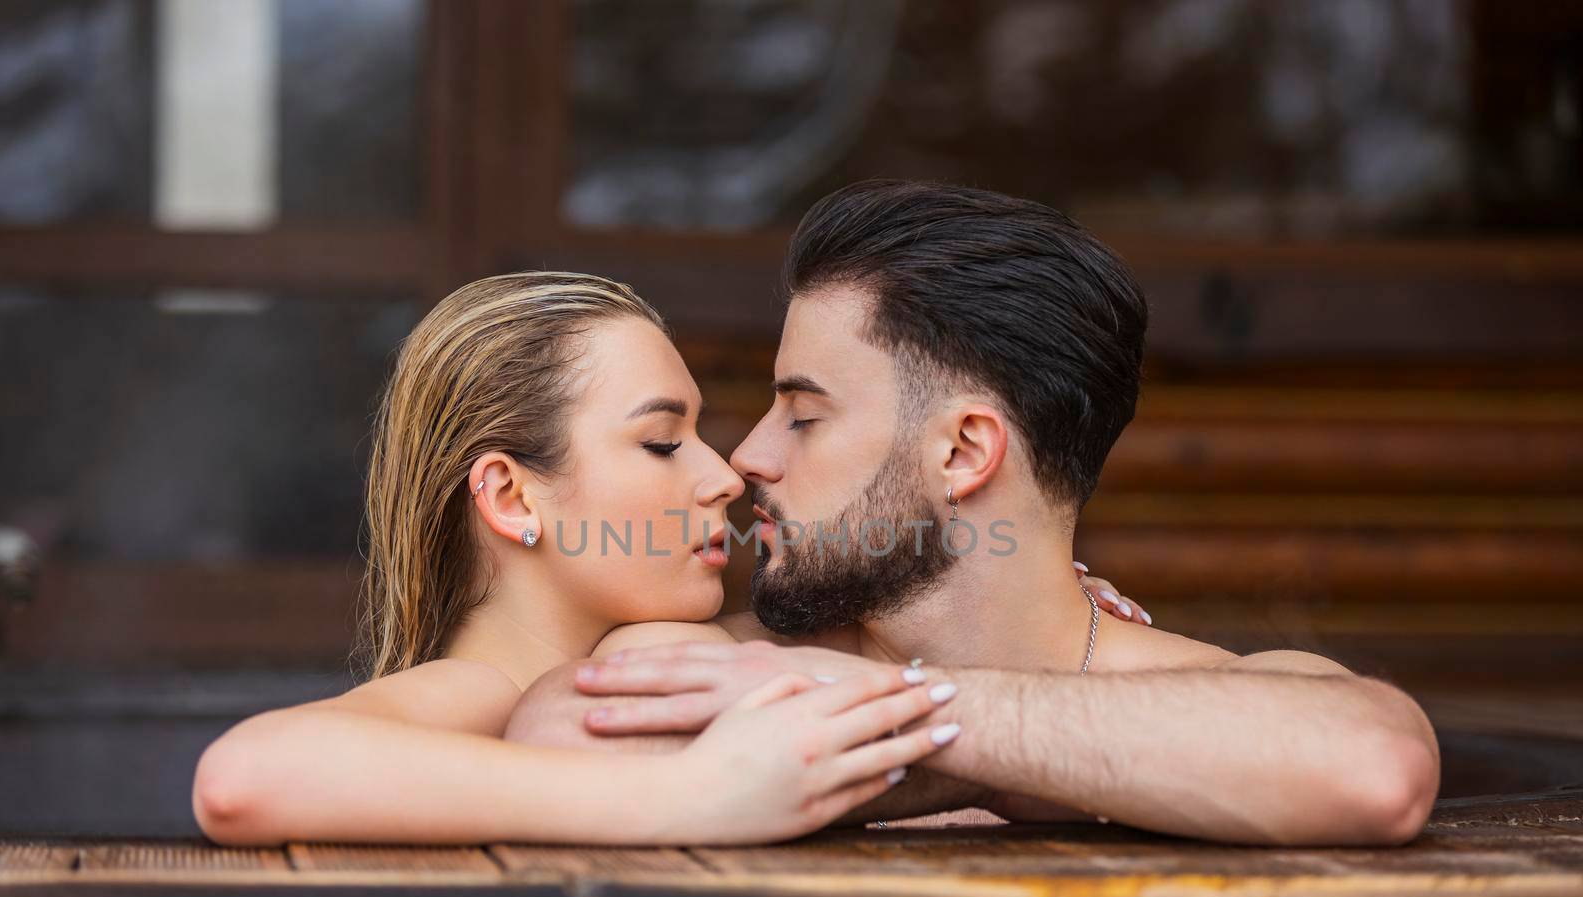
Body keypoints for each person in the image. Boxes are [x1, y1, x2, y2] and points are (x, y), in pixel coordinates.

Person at [507, 180, 1441, 846]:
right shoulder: (726, 663)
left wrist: (897, 717)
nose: (749, 457)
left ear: (962, 452)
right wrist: (1087, 765)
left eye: (803, 414)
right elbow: (561, 733)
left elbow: (1376, 767)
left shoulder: (1226, 684)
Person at [190, 270, 1136, 847]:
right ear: (512, 497)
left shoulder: (675, 654)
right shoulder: (481, 692)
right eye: (660, 442)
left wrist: (1043, 601)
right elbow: (244, 776)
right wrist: (694, 795)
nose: (727, 475)